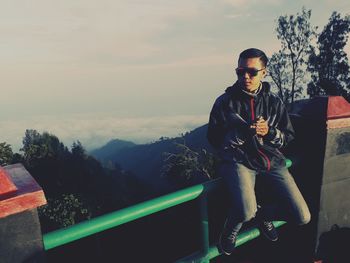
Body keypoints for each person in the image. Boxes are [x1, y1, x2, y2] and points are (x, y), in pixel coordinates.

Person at [207, 48, 311, 256]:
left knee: (302, 216)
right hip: (238, 161)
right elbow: (214, 139)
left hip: (271, 160)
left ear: (264, 72)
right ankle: (230, 230)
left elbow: (287, 136)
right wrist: (243, 133)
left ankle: (264, 216)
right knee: (246, 211)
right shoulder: (224, 103)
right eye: (240, 71)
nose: (245, 76)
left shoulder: (274, 102)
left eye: (252, 72)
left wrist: (269, 132)